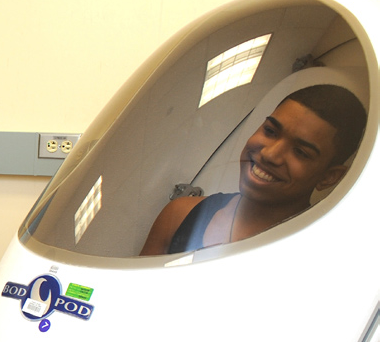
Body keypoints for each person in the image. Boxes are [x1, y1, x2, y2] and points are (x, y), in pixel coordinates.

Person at [140, 84, 367, 256]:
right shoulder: (179, 214)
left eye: (300, 152)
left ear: (329, 177)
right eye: (270, 131)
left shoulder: (319, 256)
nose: (270, 154)